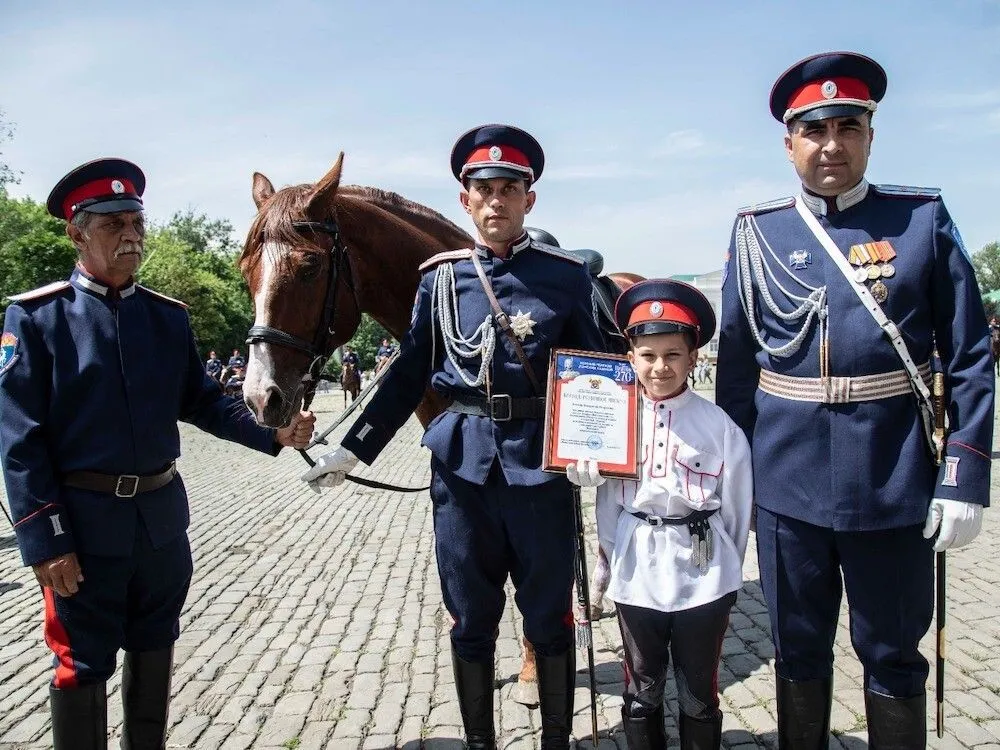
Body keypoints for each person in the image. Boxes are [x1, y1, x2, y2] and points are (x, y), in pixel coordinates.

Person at [716, 52, 994, 748]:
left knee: (893, 655)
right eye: (814, 129)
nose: (831, 143)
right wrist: (734, 480)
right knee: (799, 651)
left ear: (871, 134)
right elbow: (736, 372)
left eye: (848, 126)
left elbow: (969, 357)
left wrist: (963, 475)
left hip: (892, 480)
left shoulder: (920, 221)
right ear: (790, 143)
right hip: (787, 486)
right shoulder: (756, 232)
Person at [301, 124, 604, 749]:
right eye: (482, 189)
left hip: (540, 466)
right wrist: (351, 447)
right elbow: (409, 372)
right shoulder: (438, 280)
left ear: (530, 200)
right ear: (465, 200)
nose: (496, 201)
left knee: (548, 619)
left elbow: (599, 367)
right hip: (462, 470)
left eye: (509, 189)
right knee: (469, 619)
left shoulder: (565, 278)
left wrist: (597, 449)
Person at [0, 158, 316, 749]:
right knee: (82, 666)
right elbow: (20, 441)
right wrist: (45, 541)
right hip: (84, 530)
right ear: (77, 233)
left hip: (161, 524)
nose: (131, 236)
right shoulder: (37, 320)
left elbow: (202, 402)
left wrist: (273, 434)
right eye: (114, 223)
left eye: (137, 222)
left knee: (155, 647)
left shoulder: (165, 319)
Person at [567, 280, 752, 750]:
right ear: (630, 357)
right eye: (647, 355)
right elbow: (610, 505)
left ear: (693, 359)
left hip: (702, 571)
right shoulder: (613, 422)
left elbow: (734, 508)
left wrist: (723, 567)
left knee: (698, 693)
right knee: (641, 689)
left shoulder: (720, 428)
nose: (660, 367)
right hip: (638, 571)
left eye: (673, 354)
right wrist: (608, 562)